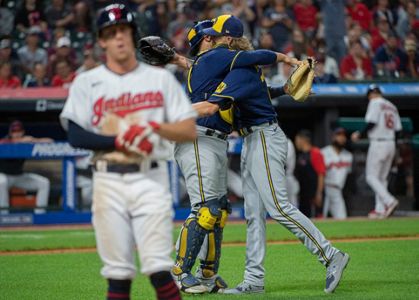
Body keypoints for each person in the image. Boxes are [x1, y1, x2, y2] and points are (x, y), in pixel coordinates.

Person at [60, 4, 197, 300]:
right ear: (102, 41)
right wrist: (120, 140)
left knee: (159, 269)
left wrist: (153, 127)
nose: (118, 37)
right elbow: (74, 134)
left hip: (150, 179)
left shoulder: (159, 79)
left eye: (123, 30)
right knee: (118, 275)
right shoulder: (87, 81)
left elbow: (188, 130)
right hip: (107, 181)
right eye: (111, 33)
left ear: (133, 35)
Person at [170, 15, 300, 294]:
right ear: (207, 40)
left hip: (214, 140)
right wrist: (287, 59)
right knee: (205, 209)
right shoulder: (217, 58)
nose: (216, 39)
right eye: (212, 35)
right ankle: (180, 273)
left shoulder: (209, 63)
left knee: (218, 210)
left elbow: (254, 89)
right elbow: (258, 56)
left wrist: (285, 89)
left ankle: (207, 276)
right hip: (198, 136)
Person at [192, 66, 349, 295]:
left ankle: (331, 255)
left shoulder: (239, 64)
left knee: (278, 206)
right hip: (251, 138)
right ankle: (254, 279)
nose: (211, 43)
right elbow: (261, 90)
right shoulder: (233, 66)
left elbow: (211, 101)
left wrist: (169, 110)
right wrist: (284, 89)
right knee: (253, 214)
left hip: (263, 135)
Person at [351, 84, 401, 219]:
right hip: (390, 143)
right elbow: (398, 131)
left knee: (371, 177)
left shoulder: (374, 102)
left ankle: (389, 201)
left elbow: (371, 123)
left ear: (370, 94)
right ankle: (380, 209)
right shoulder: (391, 105)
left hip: (378, 142)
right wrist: (395, 150)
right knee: (381, 179)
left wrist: (359, 135)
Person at [0, 120, 52, 214]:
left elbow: (49, 141)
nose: (16, 134)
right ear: (10, 133)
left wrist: (33, 140)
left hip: (19, 176)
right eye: (14, 132)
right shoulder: (5, 141)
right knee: (1, 182)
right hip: (3, 175)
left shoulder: (26, 141)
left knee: (44, 183)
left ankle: (40, 214)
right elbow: (3, 143)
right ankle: (4, 215)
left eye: (18, 131)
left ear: (23, 132)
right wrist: (18, 141)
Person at [321, 128, 353, 219]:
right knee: (321, 218)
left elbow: (349, 176)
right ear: (333, 137)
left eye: (343, 136)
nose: (342, 138)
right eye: (339, 135)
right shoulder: (323, 152)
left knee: (342, 218)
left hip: (338, 190)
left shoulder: (348, 155)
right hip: (325, 189)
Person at [295, 130, 326, 218]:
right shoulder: (300, 155)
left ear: (303, 140)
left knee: (316, 219)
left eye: (297, 139)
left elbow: (321, 174)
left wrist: (319, 193)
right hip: (304, 194)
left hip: (313, 194)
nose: (296, 142)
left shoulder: (315, 152)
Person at [286, 138, 300, 207]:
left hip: (287, 177)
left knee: (292, 204)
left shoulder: (287, 142)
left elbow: (285, 163)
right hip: (280, 178)